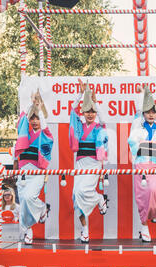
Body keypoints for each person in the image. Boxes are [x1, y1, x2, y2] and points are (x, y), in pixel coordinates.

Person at [128, 85, 156, 242]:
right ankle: (144, 227)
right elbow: (136, 119)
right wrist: (142, 95)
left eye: (154, 112)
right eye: (148, 112)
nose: (151, 115)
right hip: (141, 166)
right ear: (144, 113)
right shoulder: (138, 127)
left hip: (154, 166)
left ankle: (153, 211)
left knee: (153, 191)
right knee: (141, 196)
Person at [69, 79, 109, 244]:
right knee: (75, 197)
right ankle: (85, 230)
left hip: (93, 164)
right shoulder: (78, 126)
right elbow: (71, 110)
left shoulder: (99, 128)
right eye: (87, 111)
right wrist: (80, 94)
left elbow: (104, 119)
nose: (91, 114)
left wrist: (95, 101)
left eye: (93, 111)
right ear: (83, 113)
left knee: (82, 192)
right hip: (79, 163)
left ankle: (99, 199)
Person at [14, 87, 53, 245]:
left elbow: (43, 122)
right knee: (23, 202)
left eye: (37, 118)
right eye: (32, 118)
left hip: (37, 172)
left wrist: (38, 105)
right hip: (23, 172)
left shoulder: (44, 134)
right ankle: (29, 230)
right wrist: (31, 102)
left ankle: (42, 208)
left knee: (30, 197)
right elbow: (23, 114)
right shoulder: (23, 130)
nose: (35, 121)